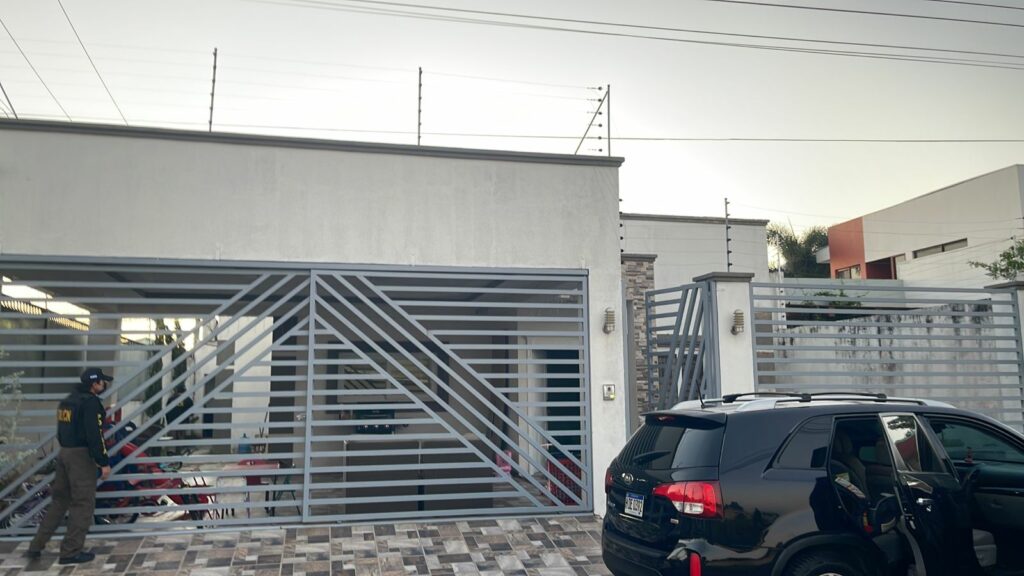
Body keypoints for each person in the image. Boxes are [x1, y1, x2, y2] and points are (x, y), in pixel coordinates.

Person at [26, 368, 113, 565]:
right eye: (102, 381)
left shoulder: (68, 401)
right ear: (95, 384)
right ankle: (71, 552)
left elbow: (61, 431)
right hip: (80, 457)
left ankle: (36, 546)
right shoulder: (90, 403)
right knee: (83, 504)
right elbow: (95, 435)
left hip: (64, 453)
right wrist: (103, 462)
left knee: (59, 502)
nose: (104, 384)